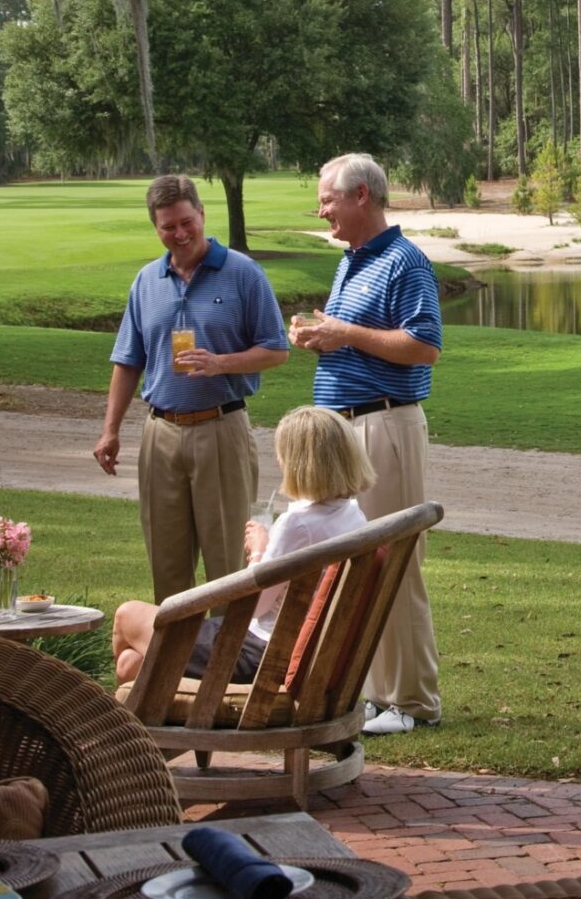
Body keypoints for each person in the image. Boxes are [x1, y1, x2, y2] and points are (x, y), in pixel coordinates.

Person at [290, 152, 442, 736]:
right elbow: (358, 339)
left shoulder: (405, 262)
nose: (321, 209)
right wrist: (325, 338)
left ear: (361, 197)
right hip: (346, 428)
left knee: (394, 562)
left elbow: (423, 346)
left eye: (327, 199)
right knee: (359, 568)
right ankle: (377, 696)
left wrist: (342, 332)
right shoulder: (353, 260)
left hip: (384, 425)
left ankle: (413, 702)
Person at [98, 174, 292, 605]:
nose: (180, 234)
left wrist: (220, 362)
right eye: (169, 227)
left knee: (227, 567)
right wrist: (110, 430)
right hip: (160, 434)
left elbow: (277, 350)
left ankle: (229, 667)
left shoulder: (243, 273)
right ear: (156, 227)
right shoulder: (147, 282)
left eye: (187, 222)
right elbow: (128, 360)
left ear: (202, 214)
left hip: (221, 428)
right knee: (167, 568)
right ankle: (177, 669)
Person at [111, 404, 375, 684]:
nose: (278, 459)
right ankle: (145, 719)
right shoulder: (353, 515)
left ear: (301, 463)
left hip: (256, 654)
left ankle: (119, 725)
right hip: (292, 650)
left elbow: (253, 607)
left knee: (127, 615)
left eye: (283, 453)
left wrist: (259, 550)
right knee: (132, 664)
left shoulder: (297, 524)